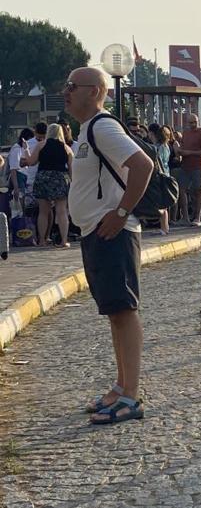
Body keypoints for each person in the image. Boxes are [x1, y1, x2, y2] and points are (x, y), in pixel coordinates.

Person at [64, 66, 153, 424]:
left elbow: (142, 165)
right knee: (114, 312)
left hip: (113, 232)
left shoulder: (103, 127)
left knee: (124, 311)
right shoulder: (86, 131)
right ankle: (120, 386)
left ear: (94, 91)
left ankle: (131, 396)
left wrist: (120, 212)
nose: (66, 92)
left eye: (72, 86)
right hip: (96, 231)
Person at [24, 123, 74, 247]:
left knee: (43, 211)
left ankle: (42, 240)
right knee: (61, 211)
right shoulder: (66, 148)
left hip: (43, 177)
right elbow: (71, 168)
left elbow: (31, 162)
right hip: (60, 178)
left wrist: (26, 149)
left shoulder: (41, 145)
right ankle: (64, 240)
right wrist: (71, 183)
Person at [175, 114, 201, 226]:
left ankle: (197, 217)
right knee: (182, 190)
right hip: (185, 165)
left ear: (198, 122)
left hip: (198, 166)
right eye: (190, 123)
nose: (193, 124)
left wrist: (190, 152)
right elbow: (183, 147)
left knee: (198, 190)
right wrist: (179, 151)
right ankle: (185, 217)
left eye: (194, 122)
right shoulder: (185, 133)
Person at [147, 123, 171, 235]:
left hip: (160, 176)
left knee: (161, 204)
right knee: (163, 203)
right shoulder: (166, 146)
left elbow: (157, 162)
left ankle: (164, 227)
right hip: (167, 174)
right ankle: (165, 227)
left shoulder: (157, 148)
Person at [8, 128, 34, 204]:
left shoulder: (24, 148)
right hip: (19, 176)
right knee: (20, 202)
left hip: (24, 177)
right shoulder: (16, 149)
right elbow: (13, 168)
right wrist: (16, 187)